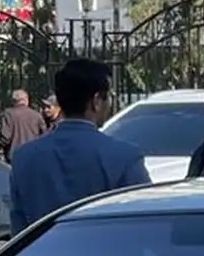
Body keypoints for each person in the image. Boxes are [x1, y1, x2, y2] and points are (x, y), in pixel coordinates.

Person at [8, 58, 148, 232]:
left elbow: (19, 232)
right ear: (96, 101)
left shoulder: (24, 158)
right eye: (109, 97)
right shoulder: (125, 157)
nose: (110, 103)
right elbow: (142, 226)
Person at [0, 88, 45, 159]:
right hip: (33, 157)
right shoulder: (37, 116)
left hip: (14, 158)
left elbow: (5, 137)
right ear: (26, 100)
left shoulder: (9, 114)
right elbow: (44, 136)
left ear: (14, 101)